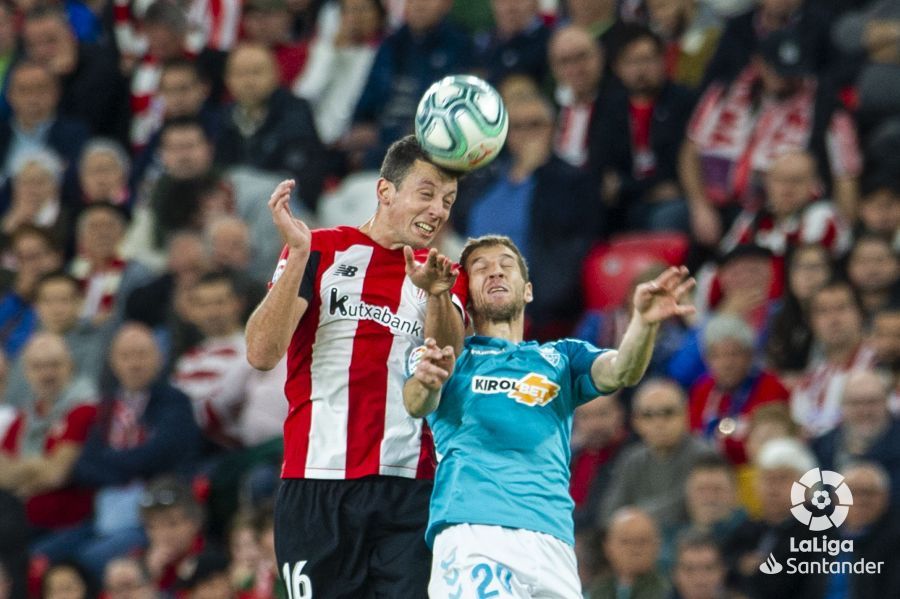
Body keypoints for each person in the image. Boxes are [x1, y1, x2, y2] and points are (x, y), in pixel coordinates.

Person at [403, 234, 694, 597]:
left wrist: (644, 323)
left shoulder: (561, 357)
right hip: (475, 531)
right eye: (481, 269)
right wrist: (428, 380)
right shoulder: (449, 359)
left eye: (506, 266)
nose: (495, 272)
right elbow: (416, 401)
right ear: (468, 293)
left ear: (527, 291)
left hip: (552, 540)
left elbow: (621, 370)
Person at [245, 135, 467, 597]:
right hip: (316, 481)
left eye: (447, 201)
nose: (438, 211)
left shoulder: (443, 273)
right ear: (385, 191)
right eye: (426, 194)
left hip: (409, 486)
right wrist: (298, 257)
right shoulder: (320, 250)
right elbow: (263, 353)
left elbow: (450, 359)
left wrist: (438, 293)